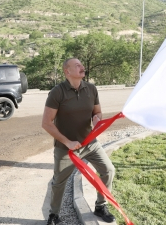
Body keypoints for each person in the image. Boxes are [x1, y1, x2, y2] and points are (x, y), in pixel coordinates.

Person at [42, 58, 116, 224]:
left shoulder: (91, 89)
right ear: (67, 71)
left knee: (108, 170)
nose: (82, 67)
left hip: (90, 143)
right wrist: (67, 142)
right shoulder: (57, 92)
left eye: (82, 64)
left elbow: (97, 112)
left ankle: (100, 206)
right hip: (66, 148)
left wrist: (97, 119)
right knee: (59, 182)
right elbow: (46, 123)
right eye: (77, 65)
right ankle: (54, 215)